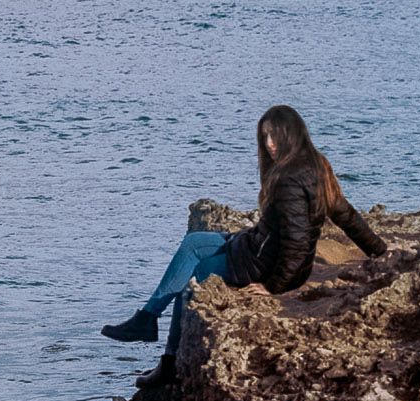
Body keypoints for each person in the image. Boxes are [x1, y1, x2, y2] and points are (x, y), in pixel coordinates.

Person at [101, 104, 388, 353]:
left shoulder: (289, 179)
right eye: (264, 137)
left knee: (196, 276)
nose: (269, 144)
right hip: (261, 249)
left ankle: (169, 357)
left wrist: (272, 286)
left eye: (274, 136)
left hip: (263, 264)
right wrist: (379, 250)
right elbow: (346, 215)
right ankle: (147, 320)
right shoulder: (316, 165)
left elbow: (297, 244)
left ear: (291, 134)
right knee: (194, 242)